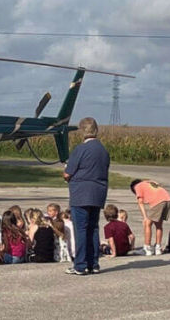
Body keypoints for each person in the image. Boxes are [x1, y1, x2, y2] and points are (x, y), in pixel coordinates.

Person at [62, 117, 110, 275]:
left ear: (82, 131)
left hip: (81, 194)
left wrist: (66, 171)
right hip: (98, 193)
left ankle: (80, 265)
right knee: (93, 228)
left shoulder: (80, 149)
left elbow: (68, 173)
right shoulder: (103, 150)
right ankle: (93, 263)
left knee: (81, 229)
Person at [130, 178, 170, 256]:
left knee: (147, 224)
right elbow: (151, 181)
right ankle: (158, 248)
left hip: (158, 201)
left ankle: (147, 248)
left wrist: (145, 217)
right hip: (167, 199)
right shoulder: (147, 183)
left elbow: (140, 203)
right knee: (159, 225)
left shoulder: (137, 186)